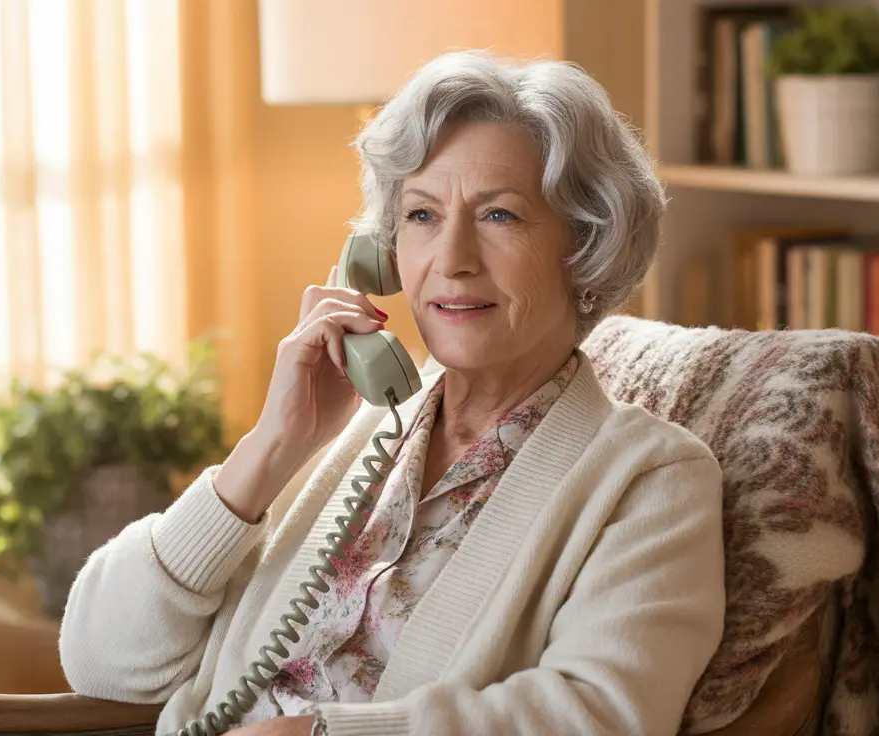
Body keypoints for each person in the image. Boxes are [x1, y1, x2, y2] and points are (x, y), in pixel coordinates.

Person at [59, 50, 725, 736]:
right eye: (421, 216)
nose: (452, 260)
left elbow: (602, 715)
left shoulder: (651, 479)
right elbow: (102, 663)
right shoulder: (346, 430)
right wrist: (269, 450)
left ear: (586, 243)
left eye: (500, 216)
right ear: (380, 254)